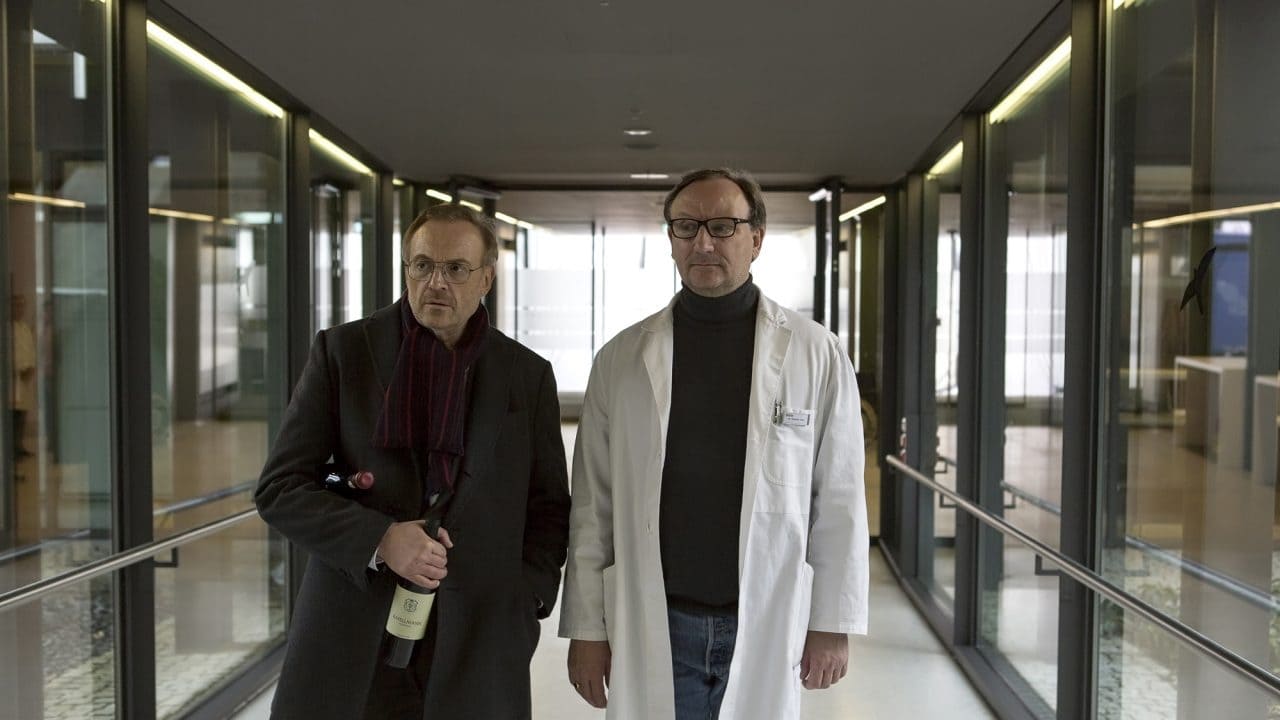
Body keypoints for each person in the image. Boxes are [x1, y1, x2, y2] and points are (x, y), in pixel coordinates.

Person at [559, 168, 869, 720]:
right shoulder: (621, 360)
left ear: (757, 238)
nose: (703, 242)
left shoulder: (815, 353)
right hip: (656, 618)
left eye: (723, 226)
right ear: (671, 239)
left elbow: (840, 498)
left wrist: (831, 623)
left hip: (766, 612)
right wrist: (587, 627)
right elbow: (592, 507)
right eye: (686, 226)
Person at [256, 204, 571, 719]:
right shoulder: (343, 353)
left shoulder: (525, 374)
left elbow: (549, 505)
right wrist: (380, 538)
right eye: (422, 265)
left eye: (456, 268)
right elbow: (283, 486)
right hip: (353, 628)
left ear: (487, 277)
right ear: (406, 270)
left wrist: (525, 600)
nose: (436, 283)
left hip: (480, 634)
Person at [10, 292, 36, 459]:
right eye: (17, 305)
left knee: (22, 416)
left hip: (26, 378)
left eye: (22, 305)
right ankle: (11, 449)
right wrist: (18, 370)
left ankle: (19, 446)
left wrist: (32, 368)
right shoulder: (5, 328)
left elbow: (30, 350)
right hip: (13, 379)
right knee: (12, 415)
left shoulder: (25, 328)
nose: (20, 309)